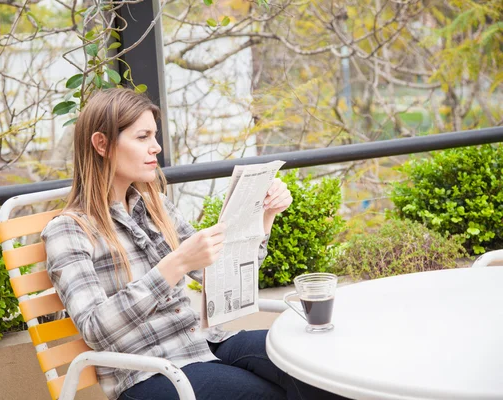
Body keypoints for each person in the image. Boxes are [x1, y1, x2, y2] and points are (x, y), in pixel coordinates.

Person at [41, 88, 348, 400]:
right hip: (149, 371)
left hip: (206, 343)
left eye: (155, 136)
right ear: (102, 144)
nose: (156, 147)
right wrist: (175, 266)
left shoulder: (156, 206)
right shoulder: (69, 230)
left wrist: (263, 215)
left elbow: (222, 279)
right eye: (142, 137)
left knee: (313, 368)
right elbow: (95, 328)